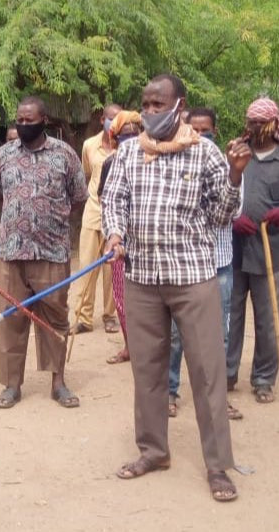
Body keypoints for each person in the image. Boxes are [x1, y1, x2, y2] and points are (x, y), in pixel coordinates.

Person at [102, 74, 249, 502]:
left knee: (206, 373)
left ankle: (219, 466)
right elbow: (115, 200)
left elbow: (222, 215)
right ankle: (153, 451)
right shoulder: (129, 152)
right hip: (142, 279)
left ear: (178, 105)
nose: (149, 112)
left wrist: (236, 177)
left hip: (192, 278)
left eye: (157, 104)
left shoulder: (205, 153)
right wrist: (115, 235)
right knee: (147, 371)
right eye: (145, 105)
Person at [0, 95, 88, 409]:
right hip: (11, 252)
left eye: (30, 120)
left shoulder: (65, 154)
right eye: (20, 119)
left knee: (55, 318)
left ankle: (58, 382)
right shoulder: (3, 154)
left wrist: (53, 219)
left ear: (44, 120)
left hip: (52, 251)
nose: (24, 125)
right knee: (11, 319)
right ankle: (12, 385)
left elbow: (79, 197)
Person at [167, 107, 243, 420]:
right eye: (193, 128)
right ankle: (170, 392)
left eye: (205, 129)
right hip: (184, 266)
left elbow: (235, 213)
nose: (199, 135)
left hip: (219, 264)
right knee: (175, 335)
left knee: (218, 335)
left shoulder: (232, 165)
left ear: (215, 129)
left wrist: (232, 176)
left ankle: (218, 396)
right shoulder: (175, 164)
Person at [227, 97, 279, 404]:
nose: (254, 127)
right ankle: (228, 374)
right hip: (235, 249)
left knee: (267, 319)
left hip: (271, 253)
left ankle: (263, 378)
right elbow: (220, 192)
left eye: (260, 122)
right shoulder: (235, 153)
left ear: (273, 125)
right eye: (251, 121)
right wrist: (234, 219)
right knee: (231, 316)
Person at [97, 110, 143, 365]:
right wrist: (114, 235)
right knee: (122, 301)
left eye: (134, 134)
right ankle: (129, 347)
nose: (130, 139)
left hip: (145, 243)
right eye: (124, 135)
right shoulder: (110, 163)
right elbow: (108, 201)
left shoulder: (151, 159)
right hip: (120, 243)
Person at [73, 104, 121, 335]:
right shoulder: (89, 145)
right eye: (111, 118)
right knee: (86, 267)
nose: (114, 122)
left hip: (117, 219)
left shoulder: (125, 147)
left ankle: (110, 316)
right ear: (103, 119)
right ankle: (83, 317)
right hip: (93, 213)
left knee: (112, 270)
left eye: (118, 118)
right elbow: (88, 173)